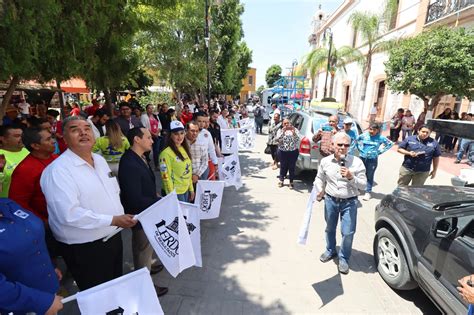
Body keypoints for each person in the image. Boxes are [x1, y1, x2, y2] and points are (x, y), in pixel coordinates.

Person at [40, 116, 137, 290]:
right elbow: (68, 214)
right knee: (98, 295)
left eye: (87, 128)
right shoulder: (57, 171)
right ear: (63, 136)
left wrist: (119, 218)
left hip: (112, 237)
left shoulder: (99, 160)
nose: (83, 132)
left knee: (115, 288)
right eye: (75, 129)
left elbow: (112, 192)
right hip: (86, 248)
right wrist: (113, 220)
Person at [118, 127, 168, 297]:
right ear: (137, 140)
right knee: (142, 250)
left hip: (148, 210)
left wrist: (154, 195)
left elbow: (144, 184)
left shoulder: (140, 157)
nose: (152, 141)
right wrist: (159, 202)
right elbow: (133, 198)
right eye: (148, 137)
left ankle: (148, 265)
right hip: (140, 215)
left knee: (147, 247)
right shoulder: (129, 163)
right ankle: (144, 285)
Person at [314, 132, 367, 274]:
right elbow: (319, 178)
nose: (343, 148)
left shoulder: (357, 162)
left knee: (348, 232)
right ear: (332, 145)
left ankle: (343, 258)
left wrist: (351, 177)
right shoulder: (325, 162)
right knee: (330, 228)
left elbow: (363, 185)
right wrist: (320, 190)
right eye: (340, 144)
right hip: (331, 200)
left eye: (346, 145)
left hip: (349, 202)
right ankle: (330, 250)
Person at [0, 199, 63, 315]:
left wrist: (49, 265)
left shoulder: (7, 204)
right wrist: (40, 303)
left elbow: (31, 234)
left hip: (49, 295)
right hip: (23, 307)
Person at [159, 121, 194, 202]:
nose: (180, 136)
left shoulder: (183, 148)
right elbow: (166, 177)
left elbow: (188, 170)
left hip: (185, 190)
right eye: (176, 134)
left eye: (182, 133)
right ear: (170, 135)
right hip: (175, 193)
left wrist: (191, 189)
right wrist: (171, 195)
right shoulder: (165, 153)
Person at [356, 123, 393, 200]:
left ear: (377, 130)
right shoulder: (364, 135)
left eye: (374, 130)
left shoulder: (380, 138)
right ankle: (357, 189)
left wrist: (379, 152)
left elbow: (390, 144)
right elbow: (357, 140)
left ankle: (368, 192)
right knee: (360, 173)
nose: (371, 131)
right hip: (362, 157)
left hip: (372, 159)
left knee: (369, 175)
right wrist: (360, 149)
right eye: (370, 129)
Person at [0, 124, 29, 198]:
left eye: (22, 135)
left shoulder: (27, 151)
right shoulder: (1, 156)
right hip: (8, 205)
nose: (22, 138)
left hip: (28, 202)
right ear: (3, 139)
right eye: (17, 136)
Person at [275, 119, 302, 189]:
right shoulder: (280, 130)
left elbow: (298, 140)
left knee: (292, 167)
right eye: (284, 123)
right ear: (282, 124)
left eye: (288, 123)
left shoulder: (295, 130)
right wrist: (283, 132)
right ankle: (281, 180)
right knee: (283, 166)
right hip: (282, 151)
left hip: (293, 152)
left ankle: (291, 181)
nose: (286, 125)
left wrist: (294, 133)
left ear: (290, 123)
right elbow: (278, 140)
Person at [196, 112, 218, 179]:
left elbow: (211, 149)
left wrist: (215, 163)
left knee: (203, 185)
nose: (202, 123)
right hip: (192, 165)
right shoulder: (187, 133)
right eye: (199, 121)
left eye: (203, 121)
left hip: (204, 166)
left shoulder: (207, 133)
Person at [141, 104, 162, 169]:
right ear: (146, 109)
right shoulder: (144, 116)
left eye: (152, 108)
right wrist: (153, 134)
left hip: (157, 136)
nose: (151, 110)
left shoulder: (156, 116)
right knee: (147, 150)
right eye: (149, 108)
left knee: (156, 150)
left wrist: (157, 133)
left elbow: (159, 125)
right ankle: (146, 163)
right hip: (148, 136)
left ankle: (156, 165)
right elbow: (144, 127)